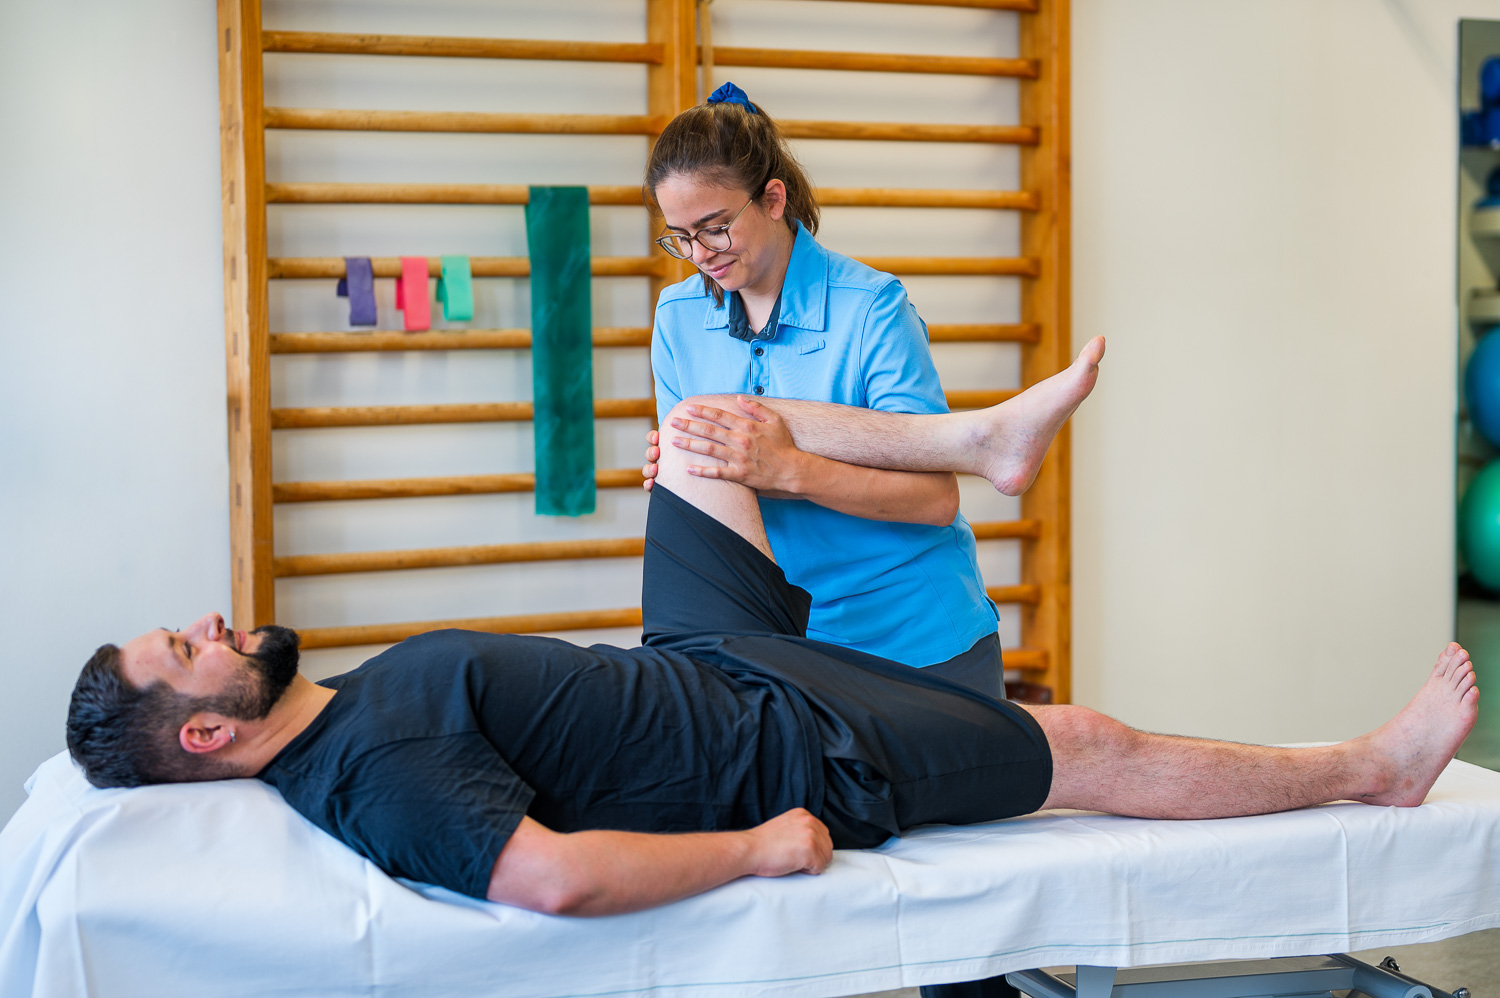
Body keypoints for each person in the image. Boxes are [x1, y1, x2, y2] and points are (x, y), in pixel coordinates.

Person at [65, 371, 1479, 927]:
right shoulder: (373, 773)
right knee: (1085, 743)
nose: (200, 621)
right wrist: (762, 847)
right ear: (204, 732)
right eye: (178, 651)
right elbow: (549, 876)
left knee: (702, 425)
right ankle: (1372, 770)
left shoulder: (336, 713)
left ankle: (982, 443)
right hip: (788, 741)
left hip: (698, 652)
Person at [642, 81, 1013, 700]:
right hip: (784, 648)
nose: (699, 254)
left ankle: (993, 437)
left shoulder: (872, 308)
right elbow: (713, 484)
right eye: (679, 236)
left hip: (915, 643)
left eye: (714, 228)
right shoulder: (676, 316)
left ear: (773, 199)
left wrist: (789, 469)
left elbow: (934, 500)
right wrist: (684, 473)